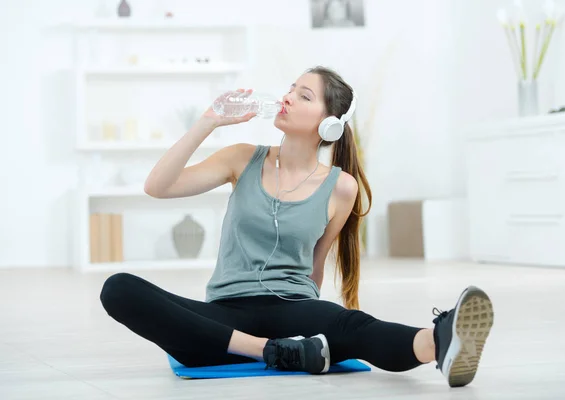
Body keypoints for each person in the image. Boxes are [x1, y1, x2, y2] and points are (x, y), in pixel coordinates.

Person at [100, 66, 494, 388]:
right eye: (291, 88)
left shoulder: (341, 187)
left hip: (293, 307)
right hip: (224, 316)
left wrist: (320, 321)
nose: (287, 96)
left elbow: (315, 265)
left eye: (304, 95)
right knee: (118, 289)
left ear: (329, 125)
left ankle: (439, 342)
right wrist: (210, 122)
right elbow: (157, 186)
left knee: (349, 325)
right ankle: (273, 351)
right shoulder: (242, 159)